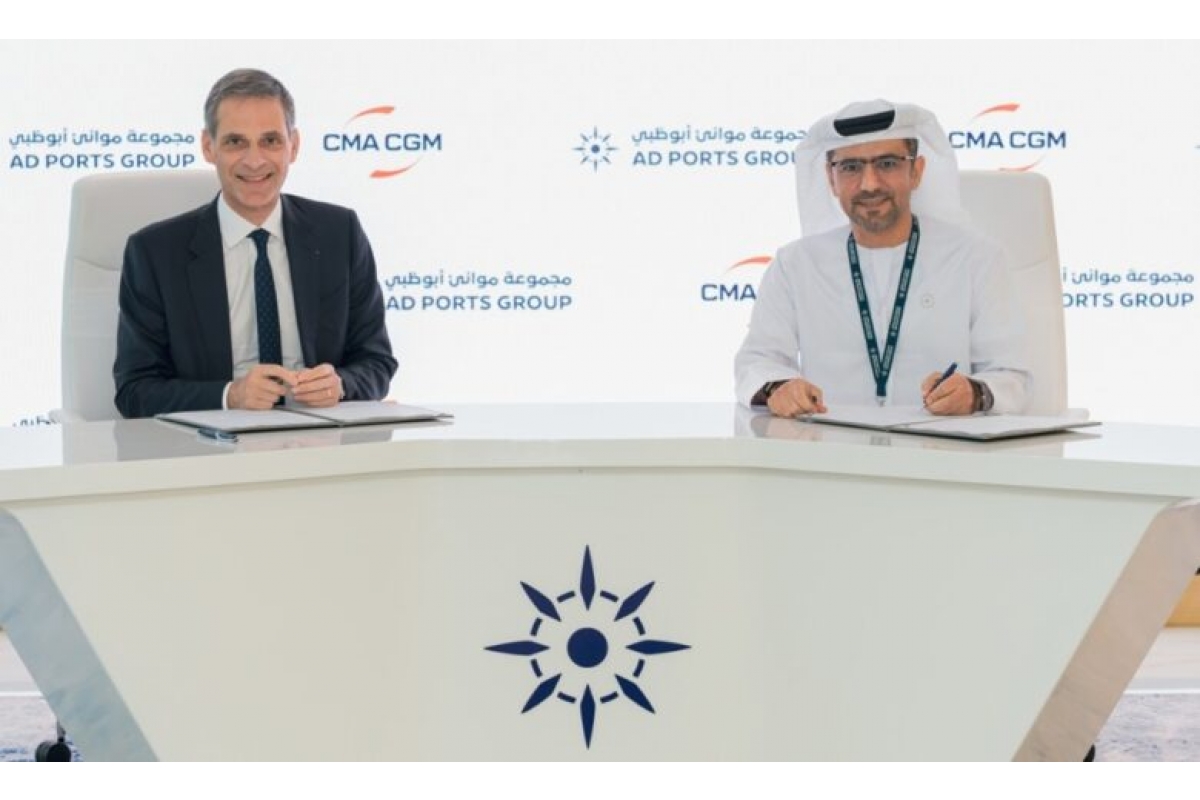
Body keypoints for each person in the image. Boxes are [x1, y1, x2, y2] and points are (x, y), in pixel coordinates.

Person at [114, 68, 397, 418]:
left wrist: (340, 385)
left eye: (270, 141)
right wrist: (230, 395)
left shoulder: (340, 233)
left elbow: (376, 361)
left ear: (293, 146)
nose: (254, 161)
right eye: (236, 142)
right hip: (208, 445)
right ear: (208, 147)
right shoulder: (154, 253)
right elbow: (135, 391)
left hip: (321, 439)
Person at [734, 99, 1030, 418]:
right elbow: (758, 360)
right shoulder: (795, 265)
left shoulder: (976, 259)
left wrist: (975, 393)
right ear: (831, 179)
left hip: (942, 445)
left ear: (916, 171)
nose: (870, 184)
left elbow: (1011, 376)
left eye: (887, 164)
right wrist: (777, 387)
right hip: (828, 444)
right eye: (851, 167)